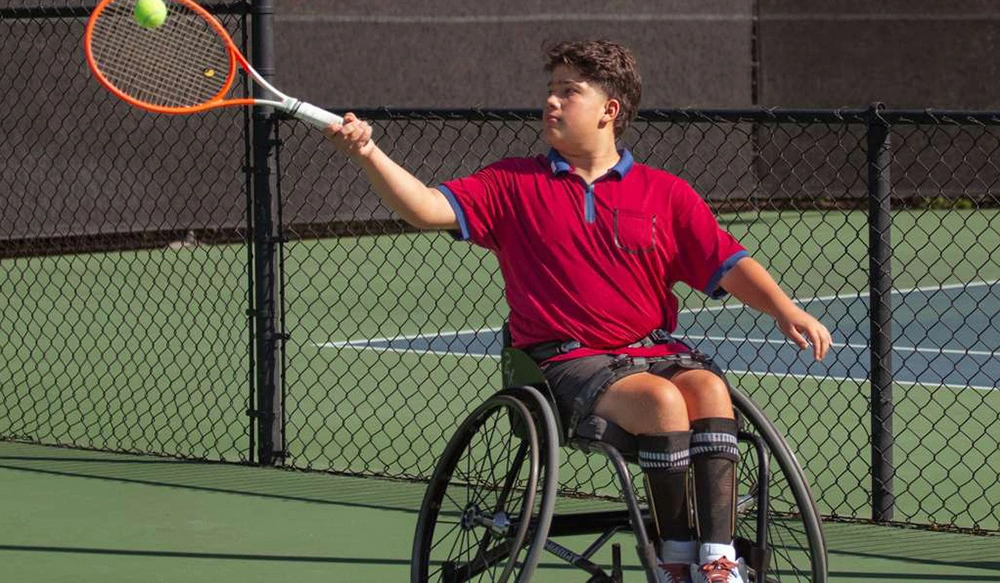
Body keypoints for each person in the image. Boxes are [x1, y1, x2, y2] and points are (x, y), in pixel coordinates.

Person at [324, 39, 831, 583]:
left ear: (609, 110)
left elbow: (728, 262)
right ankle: (675, 565)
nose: (552, 103)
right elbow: (425, 207)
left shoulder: (666, 193)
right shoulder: (511, 183)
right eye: (551, 91)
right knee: (662, 400)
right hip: (563, 364)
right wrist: (367, 153)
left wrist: (784, 308)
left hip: (652, 351)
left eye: (569, 92)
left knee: (708, 388)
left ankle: (718, 559)